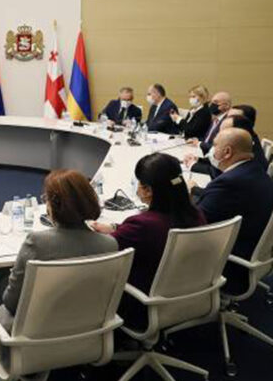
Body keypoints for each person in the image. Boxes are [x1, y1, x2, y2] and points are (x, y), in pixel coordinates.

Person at [91, 153, 205, 328]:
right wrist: (115, 227)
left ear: (148, 190)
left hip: (141, 304)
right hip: (186, 295)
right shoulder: (195, 214)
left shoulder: (142, 225)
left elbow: (102, 250)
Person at [0, 170, 117, 329]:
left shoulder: (37, 242)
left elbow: (11, 303)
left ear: (53, 206)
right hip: (88, 333)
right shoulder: (109, 244)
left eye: (46, 199)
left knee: (0, 298)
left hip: (36, 336)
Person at [193, 128, 273, 294]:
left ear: (227, 152)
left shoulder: (229, 183)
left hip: (231, 265)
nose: (211, 149)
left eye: (215, 145)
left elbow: (196, 223)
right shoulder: (257, 171)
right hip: (257, 255)